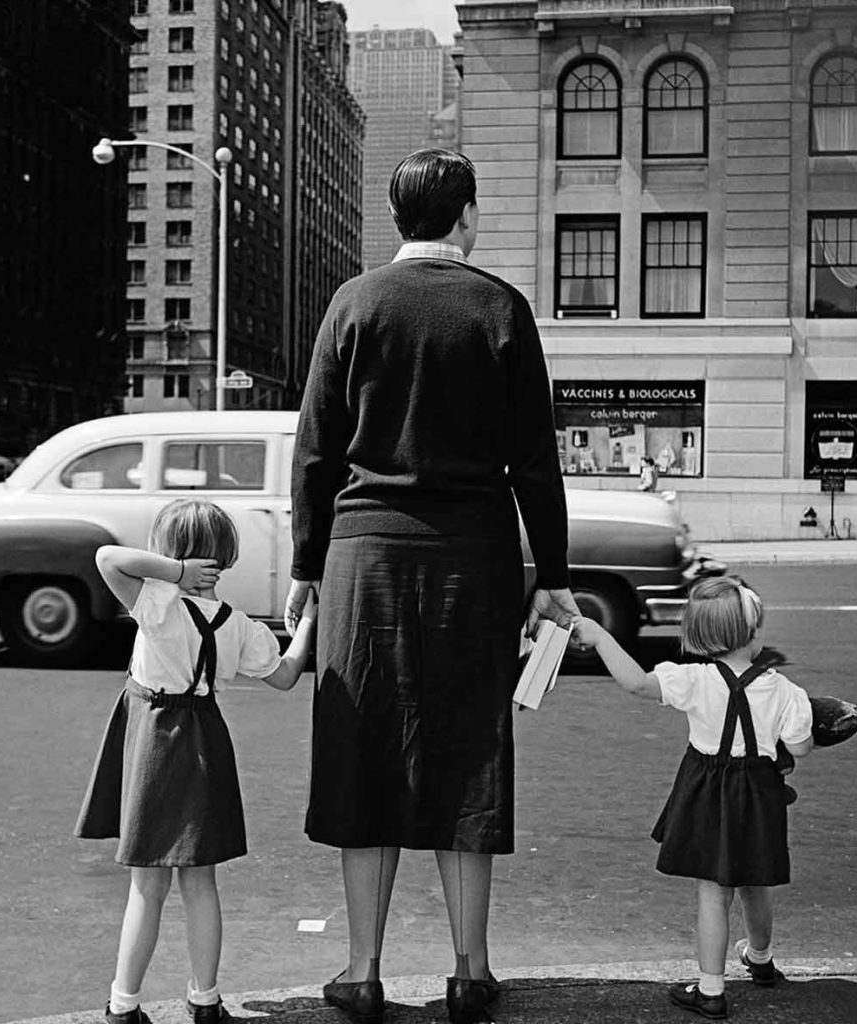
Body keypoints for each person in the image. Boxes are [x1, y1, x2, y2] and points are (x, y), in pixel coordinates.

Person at [284, 148, 580, 1024]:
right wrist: (552, 578)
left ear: (398, 218)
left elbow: (314, 450)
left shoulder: (355, 302)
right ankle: (468, 973)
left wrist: (305, 569)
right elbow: (535, 458)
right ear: (466, 216)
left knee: (363, 753)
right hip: (474, 558)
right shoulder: (500, 309)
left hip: (364, 557)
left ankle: (362, 972)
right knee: (466, 755)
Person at [75, 498, 316, 1024]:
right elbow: (284, 675)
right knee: (201, 881)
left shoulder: (155, 601)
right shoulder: (239, 626)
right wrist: (306, 624)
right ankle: (205, 1000)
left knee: (147, 884)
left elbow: (107, 558)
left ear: (168, 553)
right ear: (225, 556)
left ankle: (123, 1004)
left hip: (154, 739)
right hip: (205, 739)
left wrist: (175, 572)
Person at [571, 576, 813, 1020]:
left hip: (707, 792)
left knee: (713, 893)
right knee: (755, 883)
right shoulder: (783, 689)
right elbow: (800, 746)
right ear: (753, 633)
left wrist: (601, 636)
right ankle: (760, 960)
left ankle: (711, 989)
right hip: (759, 795)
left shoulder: (694, 679)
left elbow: (637, 683)